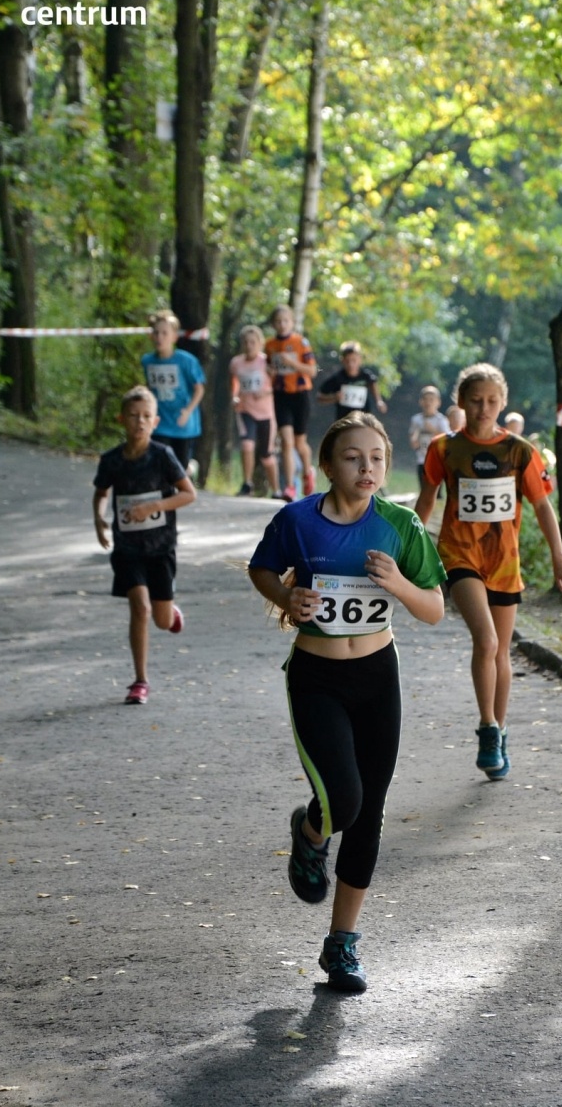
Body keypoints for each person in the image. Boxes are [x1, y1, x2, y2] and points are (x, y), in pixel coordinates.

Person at [248, 413, 445, 993]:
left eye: (378, 458)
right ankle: (310, 833)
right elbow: (262, 568)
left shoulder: (399, 524)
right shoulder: (298, 521)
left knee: (370, 810)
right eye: (355, 458)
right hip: (317, 678)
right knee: (345, 800)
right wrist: (287, 594)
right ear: (328, 465)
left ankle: (342, 946)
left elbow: (433, 607)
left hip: (378, 676)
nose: (368, 468)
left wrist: (399, 584)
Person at [414, 363, 562, 781]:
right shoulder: (443, 449)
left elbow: (543, 505)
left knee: (501, 651)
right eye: (475, 400)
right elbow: (426, 500)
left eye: (491, 401)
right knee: (485, 639)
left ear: (503, 403)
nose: (484, 408)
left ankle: (500, 730)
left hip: (504, 562)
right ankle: (488, 727)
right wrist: (410, 549)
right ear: (461, 402)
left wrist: (560, 558)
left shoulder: (521, 452)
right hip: (460, 555)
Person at [92, 385, 196, 706]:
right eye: (134, 416)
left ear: (155, 422)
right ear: (122, 419)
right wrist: (99, 520)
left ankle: (171, 614)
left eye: (146, 416)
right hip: (127, 548)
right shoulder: (111, 460)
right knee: (140, 607)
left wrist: (155, 507)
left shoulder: (162, 456)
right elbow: (101, 494)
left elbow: (188, 494)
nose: (140, 422)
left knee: (161, 620)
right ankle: (140, 681)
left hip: (160, 547)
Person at [140, 309, 206, 472]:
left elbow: (199, 389)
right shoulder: (148, 361)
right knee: (160, 463)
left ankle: (189, 469)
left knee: (179, 469)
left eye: (164, 333)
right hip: (160, 421)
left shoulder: (186, 361)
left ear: (174, 336)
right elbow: (150, 388)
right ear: (151, 336)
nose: (159, 337)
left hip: (182, 422)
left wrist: (188, 411)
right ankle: (164, 495)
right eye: (156, 333)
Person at [265, 306, 317, 501]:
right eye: (278, 321)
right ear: (273, 324)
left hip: (300, 395)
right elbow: (269, 367)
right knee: (286, 442)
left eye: (285, 321)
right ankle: (290, 486)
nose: (282, 325)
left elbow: (312, 371)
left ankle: (307, 472)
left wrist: (293, 363)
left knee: (299, 443)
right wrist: (270, 371)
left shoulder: (301, 342)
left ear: (292, 322)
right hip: (281, 396)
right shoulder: (269, 345)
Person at [229, 324, 282, 499]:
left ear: (259, 343)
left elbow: (278, 385)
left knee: (267, 454)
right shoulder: (236, 363)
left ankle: (276, 490)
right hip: (245, 410)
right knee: (247, 445)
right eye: (245, 342)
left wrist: (265, 392)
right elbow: (234, 382)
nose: (249, 345)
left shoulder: (266, 361)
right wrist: (234, 396)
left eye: (253, 342)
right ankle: (247, 484)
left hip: (265, 413)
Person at [317, 340, 388, 420]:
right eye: (347, 361)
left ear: (360, 359)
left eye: (354, 360)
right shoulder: (338, 378)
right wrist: (333, 398)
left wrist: (379, 401)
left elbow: (373, 383)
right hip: (343, 420)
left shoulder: (365, 376)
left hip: (364, 419)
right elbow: (320, 397)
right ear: (342, 360)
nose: (351, 364)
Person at [409, 386, 451, 491]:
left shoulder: (441, 420)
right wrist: (415, 439)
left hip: (437, 459)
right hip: (421, 459)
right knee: (423, 489)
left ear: (438, 402)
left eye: (431, 400)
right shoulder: (416, 419)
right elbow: (413, 439)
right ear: (420, 402)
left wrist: (433, 430)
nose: (428, 403)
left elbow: (448, 438)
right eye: (425, 399)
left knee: (436, 491)